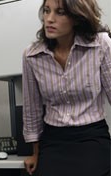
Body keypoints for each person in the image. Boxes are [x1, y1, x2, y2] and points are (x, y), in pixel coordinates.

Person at [22, 0, 111, 176]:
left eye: (60, 12)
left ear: (77, 17)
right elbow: (32, 109)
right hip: (54, 140)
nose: (49, 19)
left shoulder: (100, 45)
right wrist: (35, 153)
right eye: (46, 11)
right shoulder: (32, 55)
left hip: (92, 137)